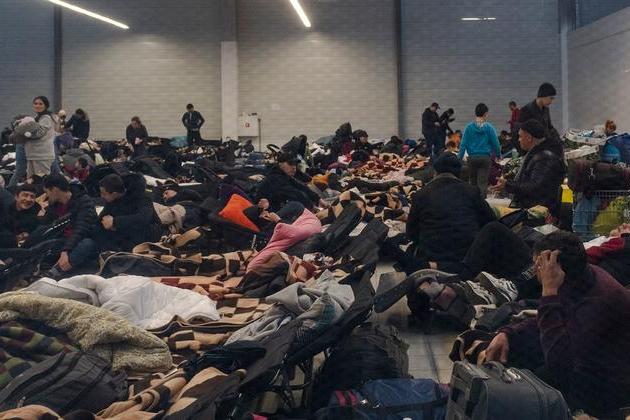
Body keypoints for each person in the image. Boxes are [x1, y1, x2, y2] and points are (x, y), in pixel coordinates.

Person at [485, 231, 630, 418]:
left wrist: (549, 292)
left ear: (553, 267)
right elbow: (552, 322)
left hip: (605, 387)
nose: (535, 270)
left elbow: (559, 362)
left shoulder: (599, 301)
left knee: (516, 392)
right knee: (509, 348)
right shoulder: (582, 277)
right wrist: (508, 333)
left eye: (538, 264)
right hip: (583, 363)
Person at [406, 152, 496, 272]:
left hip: (431, 257)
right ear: (459, 173)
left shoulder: (421, 194)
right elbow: (490, 221)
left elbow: (411, 232)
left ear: (435, 172)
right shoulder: (471, 191)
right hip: (467, 256)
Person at [491, 119, 565, 217]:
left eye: (520, 136)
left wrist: (508, 185)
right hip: (533, 208)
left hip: (536, 212)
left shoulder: (544, 158)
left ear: (529, 137)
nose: (519, 140)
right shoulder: (539, 154)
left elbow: (534, 187)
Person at [43, 175, 98, 278]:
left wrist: (66, 250)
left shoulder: (84, 201)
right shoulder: (54, 204)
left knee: (87, 244)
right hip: (63, 240)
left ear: (54, 190)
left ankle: (55, 272)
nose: (47, 196)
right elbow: (46, 226)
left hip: (81, 239)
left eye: (47, 192)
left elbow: (81, 229)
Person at [97, 173, 162, 252]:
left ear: (114, 194)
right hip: (123, 236)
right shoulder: (112, 199)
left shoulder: (141, 198)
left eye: (104, 193)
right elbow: (102, 219)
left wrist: (115, 222)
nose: (101, 196)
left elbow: (143, 218)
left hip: (146, 236)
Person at [255, 153, 327, 212]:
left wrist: (319, 200)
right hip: (266, 213)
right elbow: (295, 194)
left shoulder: (283, 175)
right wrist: (313, 208)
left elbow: (301, 187)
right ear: (280, 164)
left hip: (275, 207)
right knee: (296, 205)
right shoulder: (275, 178)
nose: (294, 167)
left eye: (295, 164)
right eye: (290, 164)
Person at [458, 103, 501, 198]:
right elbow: (496, 143)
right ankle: (482, 202)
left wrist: (459, 158)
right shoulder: (489, 127)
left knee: (473, 182)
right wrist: (498, 155)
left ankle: (473, 202)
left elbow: (463, 144)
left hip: (472, 158)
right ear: (485, 114)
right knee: (482, 182)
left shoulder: (469, 127)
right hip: (485, 158)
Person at [519, 82, 563, 156]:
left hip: (544, 147)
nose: (551, 101)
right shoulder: (526, 109)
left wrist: (559, 141)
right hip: (531, 151)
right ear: (543, 95)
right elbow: (521, 133)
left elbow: (550, 128)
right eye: (551, 98)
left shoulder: (546, 109)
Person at [24, 96, 57, 178]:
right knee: (31, 180)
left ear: (46, 105)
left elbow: (38, 133)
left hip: (42, 155)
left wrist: (24, 133)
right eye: (35, 103)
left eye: (40, 104)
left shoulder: (46, 118)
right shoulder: (36, 117)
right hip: (34, 154)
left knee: (41, 180)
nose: (37, 106)